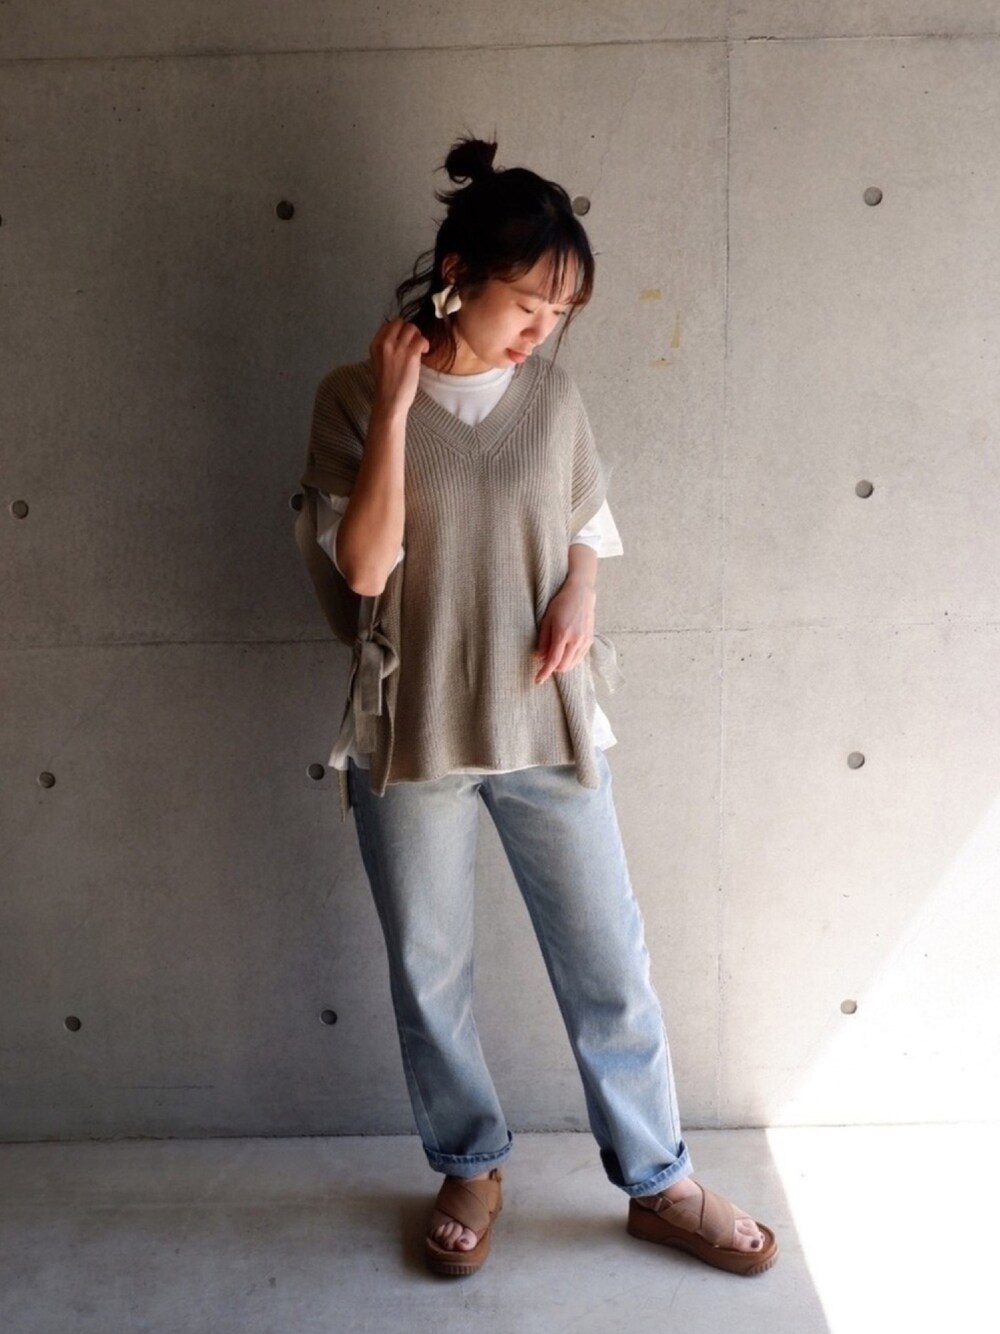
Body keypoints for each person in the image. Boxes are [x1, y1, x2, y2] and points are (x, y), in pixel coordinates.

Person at [295, 134, 779, 1279]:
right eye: (529, 303)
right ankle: (470, 1162)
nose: (541, 330)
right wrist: (399, 409)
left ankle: (658, 1178)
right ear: (457, 272)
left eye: (561, 312)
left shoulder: (553, 397)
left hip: (544, 717)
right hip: (409, 728)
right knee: (430, 971)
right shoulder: (352, 397)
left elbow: (583, 519)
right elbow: (363, 567)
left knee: (608, 957)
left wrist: (580, 587)